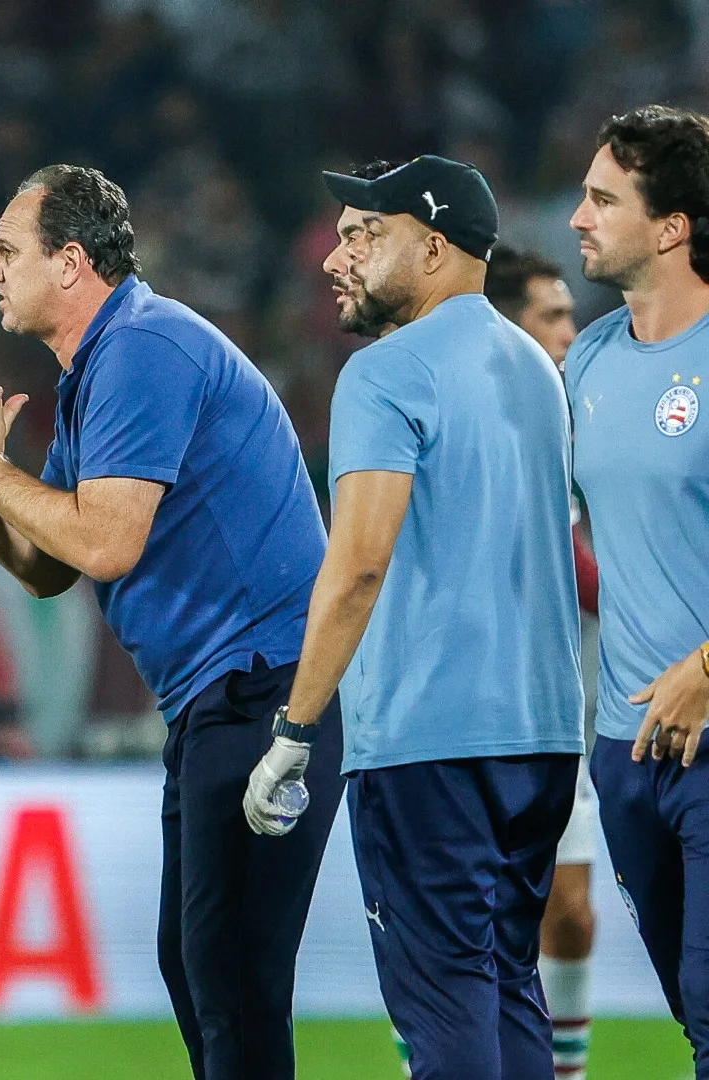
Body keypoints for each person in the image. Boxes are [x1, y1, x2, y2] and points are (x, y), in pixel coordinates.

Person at [0, 164, 340, 1079]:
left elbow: (105, 545)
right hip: (224, 698)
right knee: (205, 972)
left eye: (6, 251)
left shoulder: (141, 350)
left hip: (263, 691)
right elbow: (46, 568)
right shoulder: (106, 366)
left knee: (233, 981)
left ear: (69, 262)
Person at [245, 156, 583, 1080]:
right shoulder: (534, 367)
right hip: (543, 734)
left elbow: (356, 567)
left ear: (433, 247)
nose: (336, 259)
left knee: (442, 1003)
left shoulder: (385, 373)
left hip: (430, 738)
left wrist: (294, 730)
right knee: (509, 983)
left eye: (366, 235)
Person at [563, 104, 709, 1076]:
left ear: (671, 228)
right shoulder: (590, 361)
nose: (578, 217)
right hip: (625, 750)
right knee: (691, 1017)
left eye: (602, 199)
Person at [486, 243, 598, 1080]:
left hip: (567, 714)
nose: (570, 330)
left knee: (570, 915)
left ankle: (567, 1071)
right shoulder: (504, 420)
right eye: (552, 315)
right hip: (481, 711)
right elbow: (574, 569)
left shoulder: (575, 415)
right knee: (463, 924)